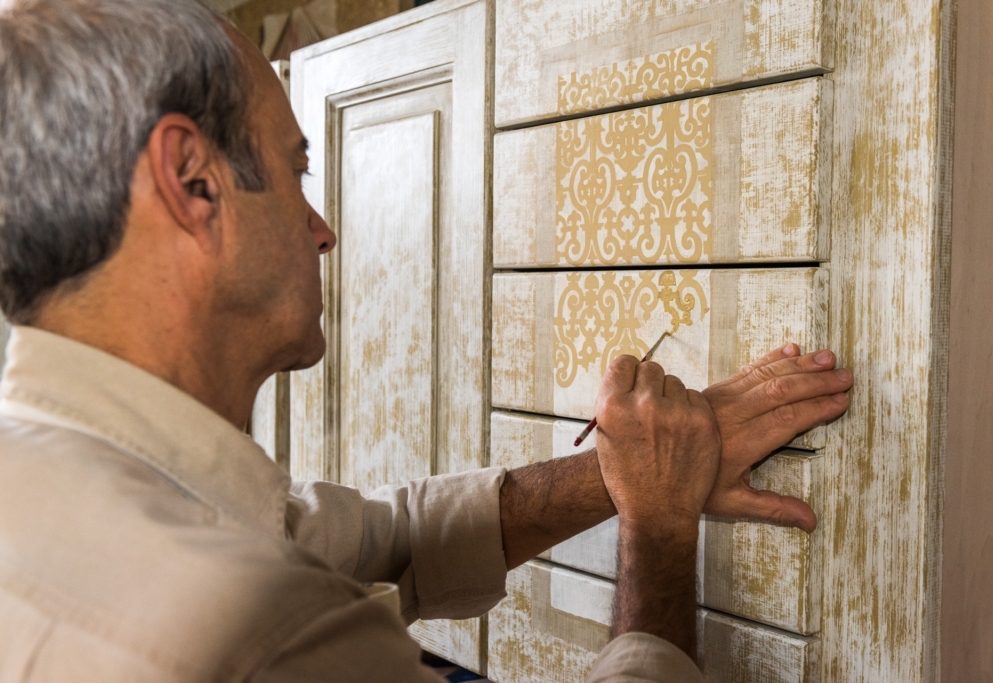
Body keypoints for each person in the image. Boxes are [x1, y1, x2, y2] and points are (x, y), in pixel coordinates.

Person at [0, 1, 853, 680]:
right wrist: (658, 526)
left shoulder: (50, 474)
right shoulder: (264, 631)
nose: (323, 230)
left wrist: (628, 467)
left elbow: (385, 539)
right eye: (296, 169)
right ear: (192, 181)